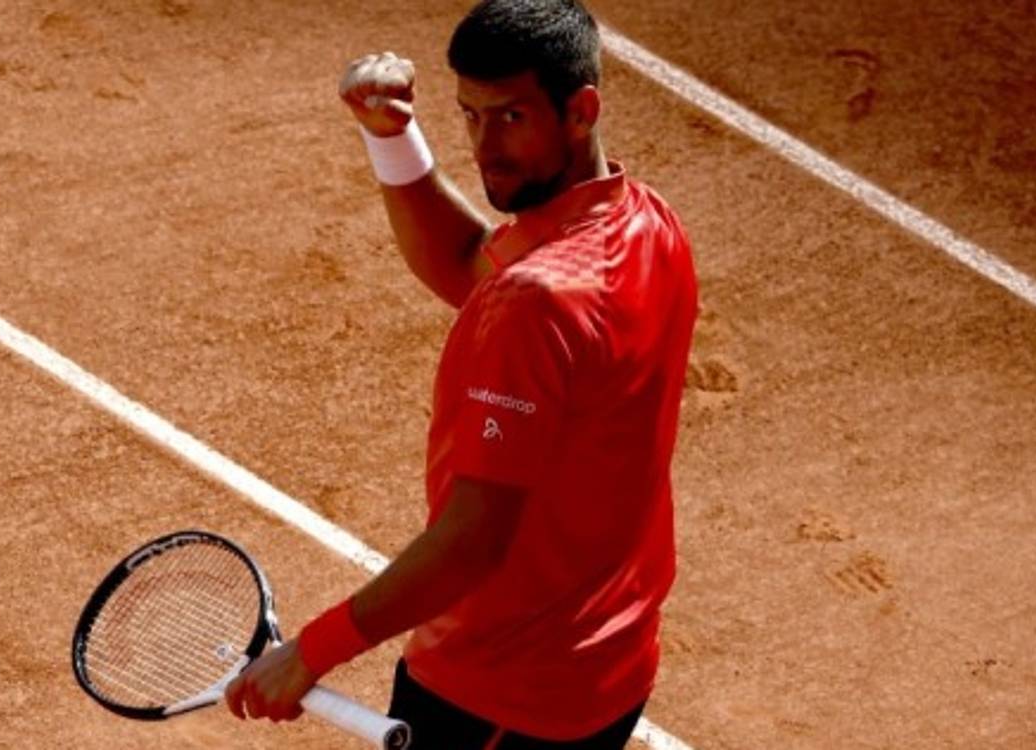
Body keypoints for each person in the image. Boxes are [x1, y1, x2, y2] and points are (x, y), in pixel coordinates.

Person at [224, 0, 698, 746]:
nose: (485, 147)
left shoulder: (535, 302)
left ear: (581, 111)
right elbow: (463, 262)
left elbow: (475, 538)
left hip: (499, 694)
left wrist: (310, 651)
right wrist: (392, 139)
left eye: (511, 118)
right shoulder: (645, 223)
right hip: (609, 665)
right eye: (470, 116)